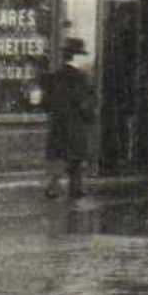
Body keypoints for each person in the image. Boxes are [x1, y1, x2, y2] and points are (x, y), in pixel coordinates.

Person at [41, 37, 97, 199]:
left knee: (60, 157)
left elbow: (46, 103)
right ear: (77, 57)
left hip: (58, 124)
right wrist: (90, 117)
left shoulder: (55, 76)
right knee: (75, 158)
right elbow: (83, 102)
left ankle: (54, 186)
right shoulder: (80, 78)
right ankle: (75, 188)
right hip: (75, 125)